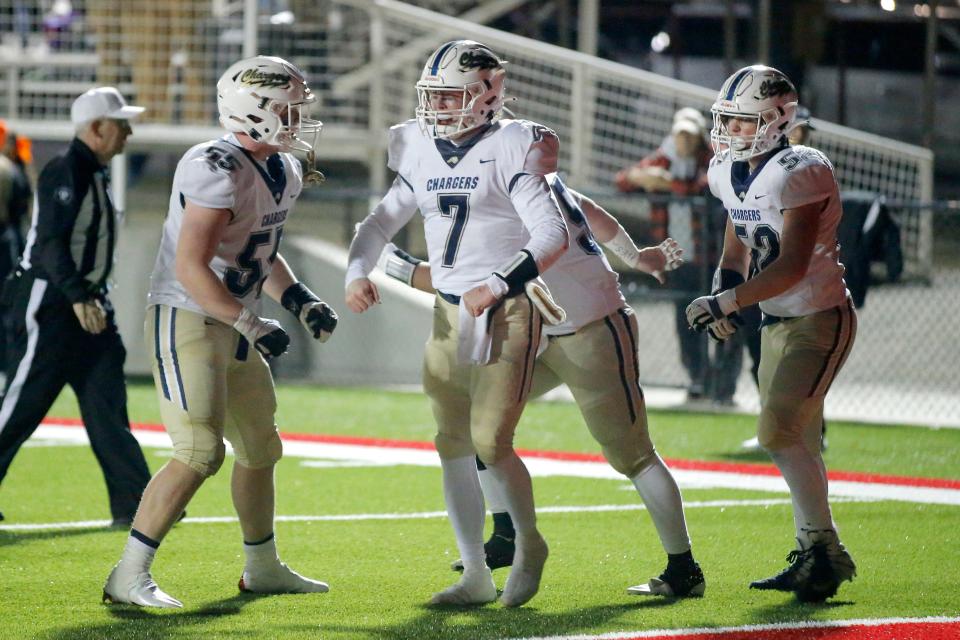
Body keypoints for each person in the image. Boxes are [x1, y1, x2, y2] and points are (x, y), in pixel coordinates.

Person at [380, 173, 707, 598]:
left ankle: (684, 569)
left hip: (591, 328)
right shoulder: (529, 178)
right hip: (544, 331)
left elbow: (465, 285)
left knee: (631, 452)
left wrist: (390, 264)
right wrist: (635, 255)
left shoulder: (500, 190)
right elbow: (591, 213)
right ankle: (506, 536)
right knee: (483, 420)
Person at [103, 56, 337, 608]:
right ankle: (127, 574)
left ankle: (262, 566)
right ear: (251, 110)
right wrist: (251, 322)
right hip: (189, 314)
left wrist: (299, 299)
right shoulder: (213, 164)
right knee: (199, 450)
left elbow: (260, 249)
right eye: (287, 108)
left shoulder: (283, 167)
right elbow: (192, 264)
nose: (298, 118)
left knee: (260, 447)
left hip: (233, 319)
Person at [345, 40, 568, 607]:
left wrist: (494, 283)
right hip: (447, 311)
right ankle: (474, 573)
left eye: (450, 94)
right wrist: (356, 271)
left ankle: (528, 544)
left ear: (487, 94)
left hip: (509, 307)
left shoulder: (512, 145)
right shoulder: (419, 146)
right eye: (433, 95)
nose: (438, 106)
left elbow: (552, 235)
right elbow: (378, 222)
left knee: (491, 439)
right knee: (451, 443)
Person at [686, 65, 857, 602]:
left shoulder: (800, 169)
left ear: (777, 120)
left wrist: (726, 300)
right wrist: (726, 294)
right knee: (797, 439)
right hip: (776, 320)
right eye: (727, 121)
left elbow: (793, 266)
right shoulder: (727, 172)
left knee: (777, 433)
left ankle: (824, 553)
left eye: (743, 122)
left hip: (818, 315)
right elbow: (736, 249)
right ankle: (815, 556)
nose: (730, 131)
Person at [0, 88, 152, 527]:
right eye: (120, 123)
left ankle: (138, 503)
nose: (128, 132)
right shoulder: (66, 170)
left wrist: (88, 296)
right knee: (20, 406)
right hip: (51, 302)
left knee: (106, 404)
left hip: (84, 301)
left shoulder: (93, 171)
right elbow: (50, 243)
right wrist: (79, 295)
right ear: (96, 128)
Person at [615, 110, 737, 404]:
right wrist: (639, 176)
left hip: (711, 258)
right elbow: (622, 181)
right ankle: (697, 378)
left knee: (723, 321)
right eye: (679, 134)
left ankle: (722, 386)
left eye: (689, 135)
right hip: (678, 259)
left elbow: (706, 188)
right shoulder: (662, 158)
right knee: (687, 323)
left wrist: (667, 185)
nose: (683, 141)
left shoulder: (711, 158)